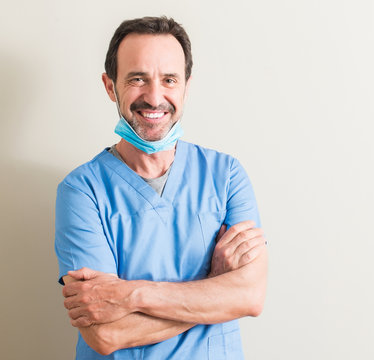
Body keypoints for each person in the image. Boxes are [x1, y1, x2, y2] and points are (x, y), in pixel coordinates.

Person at [54, 16, 268, 359]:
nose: (155, 97)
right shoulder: (81, 192)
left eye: (169, 79)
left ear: (185, 86)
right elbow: (106, 335)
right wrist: (212, 291)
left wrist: (129, 295)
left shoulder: (226, 176)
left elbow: (250, 297)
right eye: (138, 79)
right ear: (111, 87)